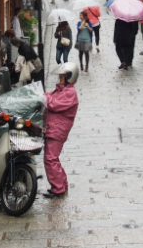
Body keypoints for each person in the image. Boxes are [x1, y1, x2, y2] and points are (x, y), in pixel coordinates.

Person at [41, 62, 79, 199]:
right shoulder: (62, 90)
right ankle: (62, 184)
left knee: (50, 158)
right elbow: (50, 97)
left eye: (62, 76)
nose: (60, 78)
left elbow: (54, 104)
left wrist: (43, 97)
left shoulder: (69, 93)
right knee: (53, 157)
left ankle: (58, 188)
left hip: (57, 129)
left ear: (69, 76)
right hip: (54, 127)